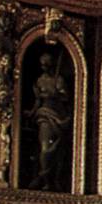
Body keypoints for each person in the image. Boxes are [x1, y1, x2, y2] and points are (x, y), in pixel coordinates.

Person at [25, 52, 71, 190]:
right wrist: (31, 112)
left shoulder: (59, 80)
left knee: (57, 149)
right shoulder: (40, 81)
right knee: (45, 148)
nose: (45, 67)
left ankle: (53, 179)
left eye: (47, 64)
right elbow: (38, 101)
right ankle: (44, 178)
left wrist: (57, 94)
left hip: (58, 115)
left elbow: (66, 97)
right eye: (42, 65)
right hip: (44, 115)